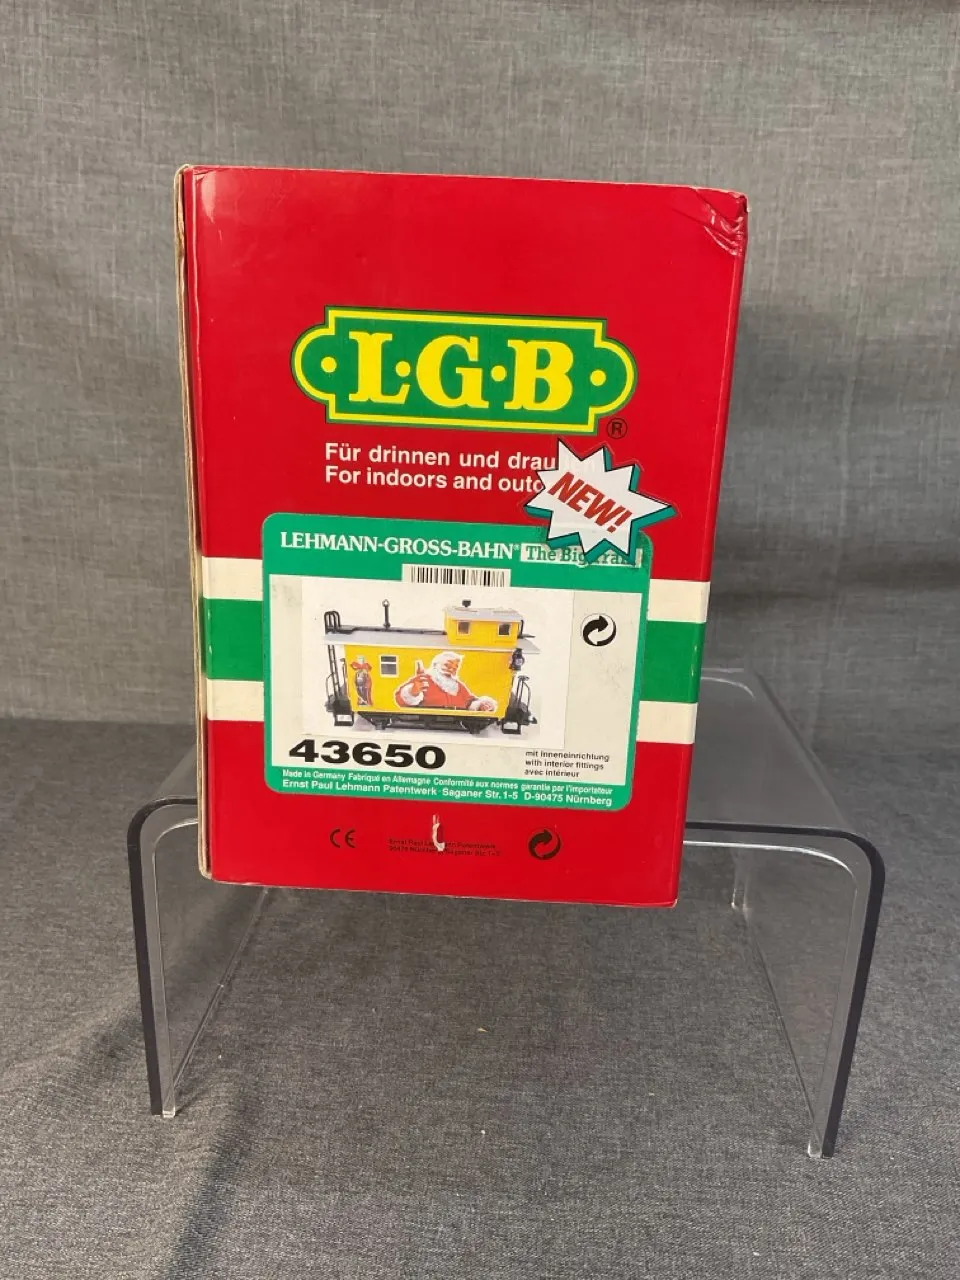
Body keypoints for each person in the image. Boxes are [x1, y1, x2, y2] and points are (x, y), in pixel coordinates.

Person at [395, 651, 497, 713]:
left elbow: (469, 702)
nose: (451, 669)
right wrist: (413, 692)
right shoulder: (424, 679)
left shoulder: (458, 686)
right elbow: (401, 698)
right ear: (435, 664)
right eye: (447, 665)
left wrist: (481, 705)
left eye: (455, 667)